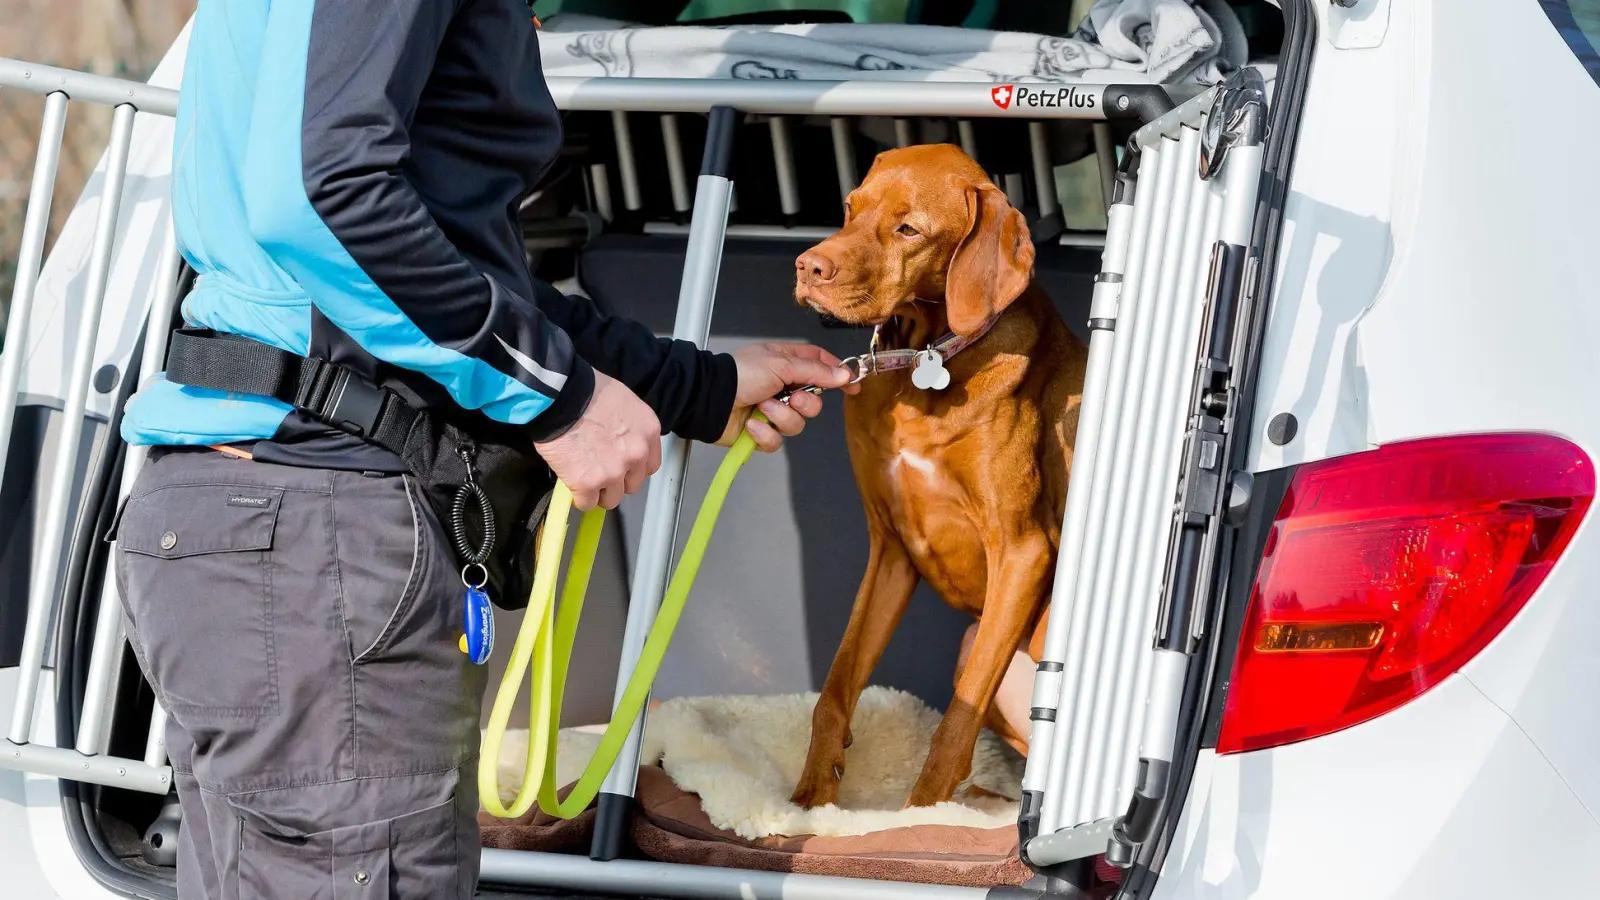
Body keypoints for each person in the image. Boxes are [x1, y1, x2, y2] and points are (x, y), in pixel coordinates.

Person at [110, 2, 852, 897]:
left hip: (242, 522)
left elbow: (442, 264)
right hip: (323, 537)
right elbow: (323, 197)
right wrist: (560, 401)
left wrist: (690, 384)